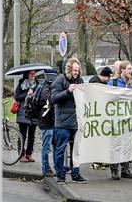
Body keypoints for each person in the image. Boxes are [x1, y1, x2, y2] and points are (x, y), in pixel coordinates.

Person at [51, 57, 87, 185]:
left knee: (76, 151)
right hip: (62, 123)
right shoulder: (60, 79)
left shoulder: (80, 81)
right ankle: (61, 175)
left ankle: (75, 174)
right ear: (69, 69)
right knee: (60, 150)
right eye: (74, 70)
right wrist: (68, 91)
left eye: (78, 70)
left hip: (76, 122)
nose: (76, 73)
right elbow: (54, 98)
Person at [106, 61, 132, 180]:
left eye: (131, 69)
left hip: (128, 119)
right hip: (116, 119)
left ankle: (125, 169)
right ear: (122, 70)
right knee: (115, 145)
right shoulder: (113, 82)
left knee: (127, 144)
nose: (131, 71)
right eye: (128, 69)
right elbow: (108, 99)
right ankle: (114, 170)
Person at [14, 70, 39, 162]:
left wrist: (35, 93)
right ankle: (21, 155)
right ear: (27, 74)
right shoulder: (21, 83)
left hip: (34, 112)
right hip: (23, 112)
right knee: (22, 135)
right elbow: (16, 97)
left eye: (34, 73)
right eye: (31, 73)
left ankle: (29, 154)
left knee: (32, 135)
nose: (33, 75)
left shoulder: (37, 84)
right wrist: (27, 94)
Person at [38, 72, 56, 177]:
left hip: (49, 121)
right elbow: (50, 101)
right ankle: (45, 168)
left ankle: (52, 167)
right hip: (46, 122)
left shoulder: (45, 87)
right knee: (46, 146)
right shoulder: (46, 89)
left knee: (52, 145)